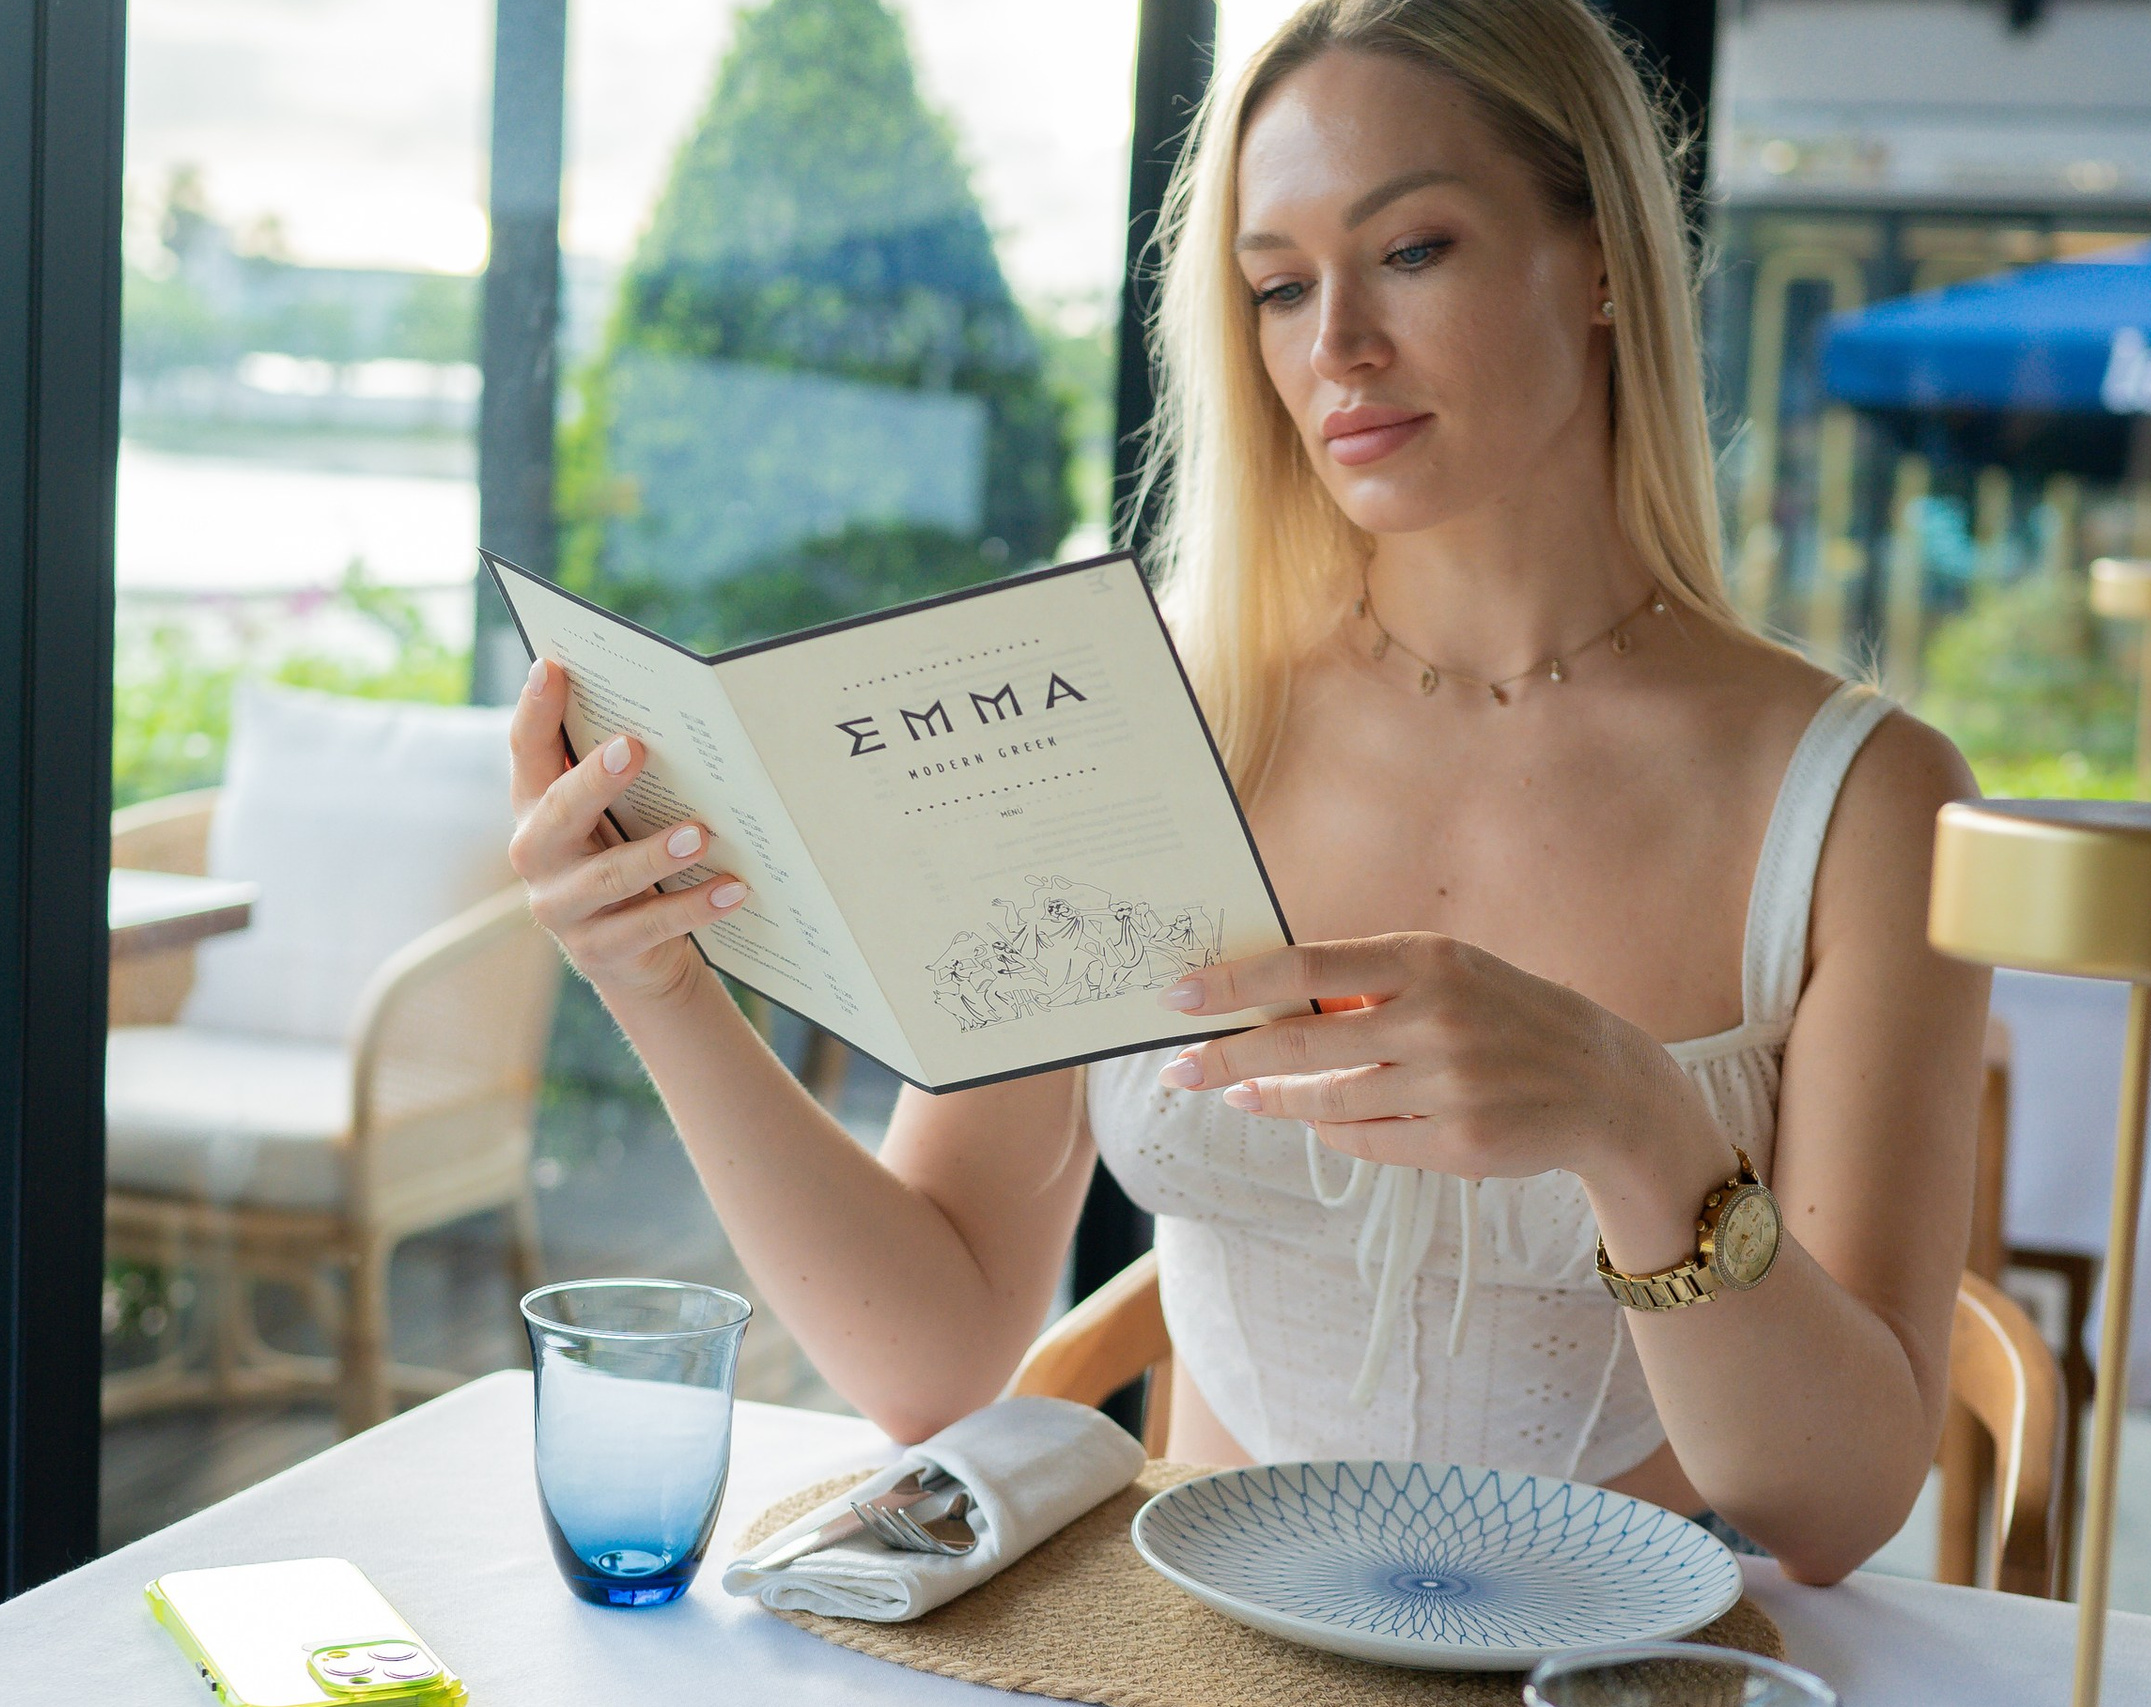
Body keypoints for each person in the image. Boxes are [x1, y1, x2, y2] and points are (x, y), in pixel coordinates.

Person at [507, 0, 1988, 1584]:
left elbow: (1833, 1513)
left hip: (1615, 1676)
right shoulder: (1136, 724)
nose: (1334, 345)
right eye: (1278, 286)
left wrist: (1639, 1129)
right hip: (1182, 1660)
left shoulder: (1868, 804)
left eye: (1412, 251)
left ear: (1609, 257)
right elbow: (929, 1353)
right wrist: (659, 988)